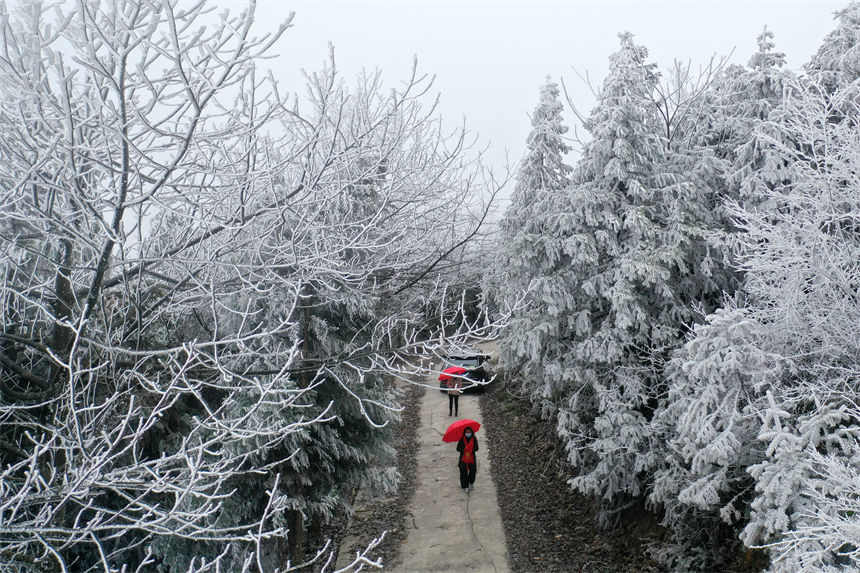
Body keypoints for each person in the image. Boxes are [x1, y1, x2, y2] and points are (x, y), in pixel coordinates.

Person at [456, 426, 478, 492]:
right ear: (464, 433)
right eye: (466, 432)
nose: (468, 433)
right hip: (463, 459)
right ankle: (465, 486)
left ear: (471, 432)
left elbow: (476, 448)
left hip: (471, 458)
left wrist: (470, 450)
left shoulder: (474, 439)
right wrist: (464, 450)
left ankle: (470, 482)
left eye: (469, 432)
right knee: (463, 472)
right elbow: (458, 448)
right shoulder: (461, 439)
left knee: (472, 472)